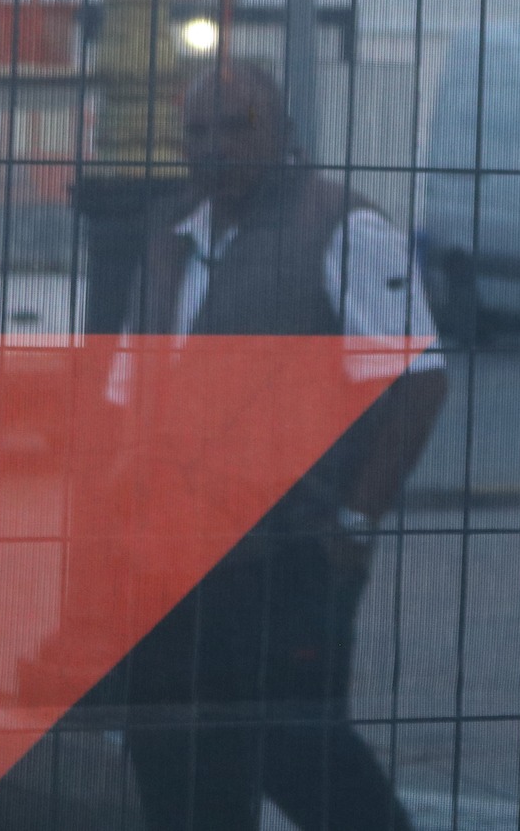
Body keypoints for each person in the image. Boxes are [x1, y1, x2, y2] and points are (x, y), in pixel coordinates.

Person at [112, 61, 447, 831]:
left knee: (297, 747)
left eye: (238, 125)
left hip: (288, 549)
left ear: (285, 135)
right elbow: (131, 388)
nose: (215, 146)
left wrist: (353, 522)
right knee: (174, 752)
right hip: (168, 553)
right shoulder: (168, 233)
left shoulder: (343, 226)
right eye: (198, 130)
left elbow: (420, 381)